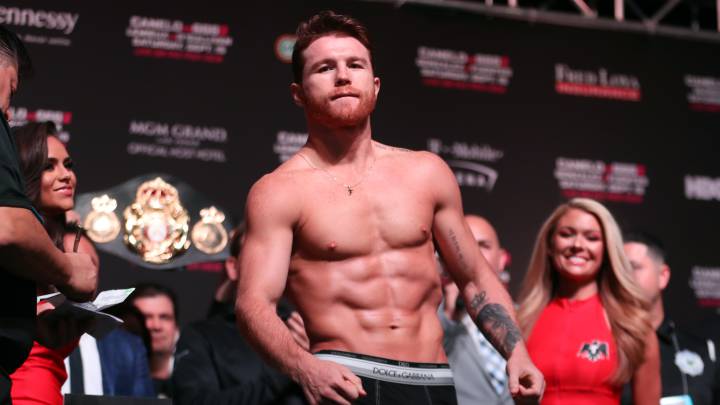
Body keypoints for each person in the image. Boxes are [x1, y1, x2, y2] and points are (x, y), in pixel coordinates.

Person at [235, 11, 543, 405]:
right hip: (347, 383)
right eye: (325, 68)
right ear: (298, 93)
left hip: (433, 382)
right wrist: (303, 366)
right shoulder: (279, 191)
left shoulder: (426, 173)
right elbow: (254, 303)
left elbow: (475, 278)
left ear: (375, 85)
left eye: (355, 65)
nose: (343, 76)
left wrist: (517, 351)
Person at [0, 27, 95, 405]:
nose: (8, 111)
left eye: (68, 165)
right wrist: (68, 270)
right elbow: (7, 228)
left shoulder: (75, 237)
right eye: (12, 89)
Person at [517, 198, 661, 405]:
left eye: (591, 238)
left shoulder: (632, 324)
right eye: (566, 234)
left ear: (607, 249)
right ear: (549, 245)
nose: (577, 245)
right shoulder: (522, 320)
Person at [9, 122, 99, 405]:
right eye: (49, 166)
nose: (66, 175)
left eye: (68, 165)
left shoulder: (67, 245)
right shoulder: (9, 244)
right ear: (23, 173)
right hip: (18, 389)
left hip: (46, 388)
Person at [172, 225, 305, 405]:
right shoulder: (201, 337)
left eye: (280, 258)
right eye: (259, 257)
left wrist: (316, 358)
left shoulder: (304, 330)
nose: (271, 267)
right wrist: (292, 363)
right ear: (233, 268)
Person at [620, 233, 719, 405]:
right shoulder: (603, 350)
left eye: (633, 267)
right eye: (618, 270)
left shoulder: (703, 351)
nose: (623, 277)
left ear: (662, 276)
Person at [440, 215, 514, 405]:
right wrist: (450, 313)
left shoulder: (527, 316)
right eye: (465, 244)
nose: (473, 254)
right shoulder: (432, 320)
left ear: (502, 259)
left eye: (483, 245)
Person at [129, 283, 180, 398]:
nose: (156, 326)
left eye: (164, 317)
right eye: (146, 317)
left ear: (176, 326)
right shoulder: (109, 379)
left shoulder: (196, 378)